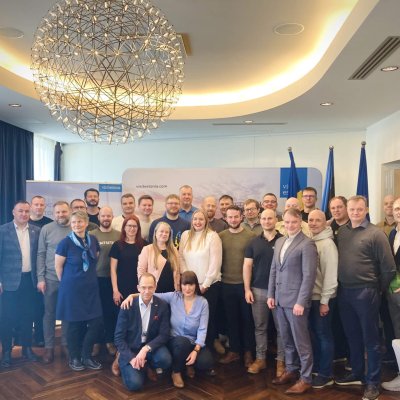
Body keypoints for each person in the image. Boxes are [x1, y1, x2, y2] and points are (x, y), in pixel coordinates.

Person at [335, 196, 396, 400]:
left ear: (366, 210)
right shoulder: (342, 232)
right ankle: (357, 372)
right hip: (344, 291)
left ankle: (372, 382)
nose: (355, 213)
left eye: (359, 209)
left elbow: (389, 268)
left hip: (366, 292)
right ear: (347, 210)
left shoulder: (376, 234)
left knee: (371, 339)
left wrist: (377, 289)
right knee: (352, 336)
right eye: (352, 209)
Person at [122, 271, 214, 389]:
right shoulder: (174, 296)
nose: (187, 288)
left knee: (206, 362)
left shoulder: (203, 302)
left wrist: (196, 350)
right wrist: (131, 295)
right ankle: (176, 372)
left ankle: (187, 364)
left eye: (191, 284)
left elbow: (202, 329)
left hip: (194, 342)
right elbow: (150, 294)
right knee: (182, 343)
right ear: (180, 285)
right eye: (184, 284)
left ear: (196, 285)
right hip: (175, 341)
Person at [267, 207, 318, 395]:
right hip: (279, 300)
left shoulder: (307, 244)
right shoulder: (280, 241)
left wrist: (301, 302)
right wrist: (271, 294)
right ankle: (290, 369)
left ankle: (306, 378)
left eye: (294, 222)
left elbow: (309, 276)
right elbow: (274, 270)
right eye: (287, 222)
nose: (290, 225)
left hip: (296, 303)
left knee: (301, 342)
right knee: (286, 338)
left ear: (300, 222)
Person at [55, 210, 103, 371]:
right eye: (74, 222)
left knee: (96, 323)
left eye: (80, 222)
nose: (77, 225)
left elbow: (95, 258)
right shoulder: (65, 243)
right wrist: (68, 284)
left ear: (86, 223)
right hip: (72, 290)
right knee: (74, 325)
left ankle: (86, 355)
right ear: (71, 224)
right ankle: (74, 358)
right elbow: (58, 267)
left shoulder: (93, 240)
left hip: (90, 289)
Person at [114, 273, 172, 391]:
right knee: (135, 384)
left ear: (155, 287)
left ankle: (145, 365)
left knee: (165, 360)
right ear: (138, 288)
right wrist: (131, 358)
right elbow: (118, 338)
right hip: (131, 348)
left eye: (150, 287)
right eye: (143, 287)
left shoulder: (162, 306)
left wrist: (146, 349)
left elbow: (164, 334)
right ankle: (121, 358)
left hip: (149, 346)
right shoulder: (127, 305)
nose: (146, 291)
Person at [243, 209, 284, 376]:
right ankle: (260, 359)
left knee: (281, 328)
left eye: (270, 218)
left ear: (276, 220)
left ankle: (281, 361)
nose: (267, 221)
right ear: (260, 220)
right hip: (258, 290)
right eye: (264, 218)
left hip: (280, 292)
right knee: (260, 327)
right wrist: (247, 289)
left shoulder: (284, 240)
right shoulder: (253, 242)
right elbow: (247, 266)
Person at [0, 201, 41, 368]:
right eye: (20, 211)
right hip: (8, 283)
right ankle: (6, 352)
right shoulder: (3, 231)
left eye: (26, 211)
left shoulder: (36, 231)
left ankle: (27, 349)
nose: (24, 214)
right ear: (13, 212)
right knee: (7, 318)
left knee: (28, 317)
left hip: (29, 281)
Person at [219, 205, 256, 367]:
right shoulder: (220, 236)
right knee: (231, 319)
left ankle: (248, 352)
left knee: (247, 320)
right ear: (225, 218)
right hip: (226, 284)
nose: (233, 220)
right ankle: (234, 351)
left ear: (242, 217)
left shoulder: (251, 236)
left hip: (245, 286)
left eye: (236, 216)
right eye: (230, 217)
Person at [179, 209, 222, 349]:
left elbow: (215, 263)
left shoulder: (212, 236)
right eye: (195, 219)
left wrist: (205, 284)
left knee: (207, 319)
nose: (198, 222)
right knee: (192, 317)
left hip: (208, 285)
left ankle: (206, 350)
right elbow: (181, 257)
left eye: (201, 219)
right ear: (191, 221)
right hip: (190, 286)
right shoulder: (185, 235)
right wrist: (188, 280)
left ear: (206, 221)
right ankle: (191, 348)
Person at [36, 201, 71, 364]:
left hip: (70, 281)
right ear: (54, 213)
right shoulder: (46, 229)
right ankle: (49, 348)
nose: (60, 215)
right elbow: (41, 254)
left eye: (63, 212)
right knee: (49, 314)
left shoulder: (75, 228)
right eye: (57, 212)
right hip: (50, 280)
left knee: (68, 314)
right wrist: (40, 278)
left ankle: (65, 345)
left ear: (69, 211)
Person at [308, 210, 338, 389]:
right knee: (316, 334)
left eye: (317, 220)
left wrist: (325, 301)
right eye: (310, 220)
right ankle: (318, 368)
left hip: (322, 299)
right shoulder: (311, 241)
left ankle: (326, 374)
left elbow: (331, 275)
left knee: (324, 335)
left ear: (325, 222)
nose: (313, 223)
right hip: (311, 298)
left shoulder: (327, 244)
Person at [90, 206, 120, 357]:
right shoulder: (91, 235)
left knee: (110, 313)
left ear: (112, 217)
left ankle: (109, 341)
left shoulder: (119, 235)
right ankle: (96, 342)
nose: (106, 218)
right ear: (99, 217)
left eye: (108, 216)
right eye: (103, 216)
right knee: (96, 313)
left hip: (114, 281)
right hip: (96, 279)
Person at [29, 195, 52, 347]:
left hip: (43, 271)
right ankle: (21, 337)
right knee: (26, 306)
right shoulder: (25, 221)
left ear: (45, 206)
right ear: (31, 206)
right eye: (36, 204)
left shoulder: (50, 224)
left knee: (41, 307)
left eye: (41, 204)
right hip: (26, 272)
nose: (38, 207)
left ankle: (39, 336)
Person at [110, 215, 145, 305]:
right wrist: (115, 290)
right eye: (129, 226)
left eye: (135, 226)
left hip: (139, 287)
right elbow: (113, 270)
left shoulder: (144, 245)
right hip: (121, 288)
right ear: (124, 227)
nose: (132, 228)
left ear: (138, 228)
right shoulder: (117, 245)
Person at [138, 221, 180, 293]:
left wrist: (178, 287)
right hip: (154, 291)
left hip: (172, 292)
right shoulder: (147, 249)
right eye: (161, 231)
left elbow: (177, 272)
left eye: (167, 232)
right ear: (155, 233)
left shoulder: (174, 250)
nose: (164, 234)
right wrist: (144, 289)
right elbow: (141, 271)